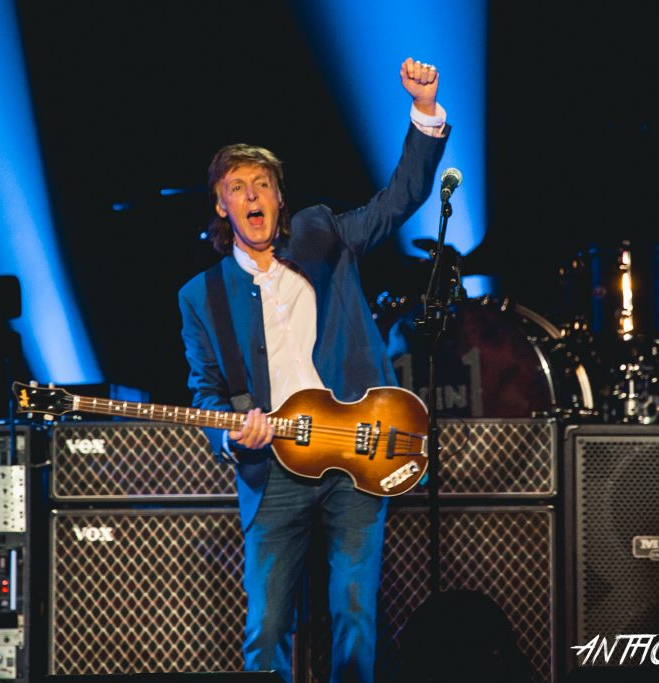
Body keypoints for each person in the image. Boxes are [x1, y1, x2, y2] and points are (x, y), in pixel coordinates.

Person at [178, 57, 449, 683]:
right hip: (273, 469)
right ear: (221, 207)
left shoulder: (323, 234)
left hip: (358, 451)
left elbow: (398, 200)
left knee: (354, 613)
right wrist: (227, 431)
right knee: (268, 625)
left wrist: (425, 112)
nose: (253, 196)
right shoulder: (202, 297)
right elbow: (206, 391)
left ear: (280, 198)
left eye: (263, 185)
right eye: (238, 187)